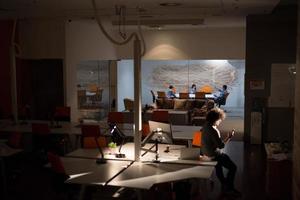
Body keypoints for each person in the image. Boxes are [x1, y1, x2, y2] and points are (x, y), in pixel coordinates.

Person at [200, 108, 241, 197]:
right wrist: (229, 137)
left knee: (218, 167)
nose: (220, 122)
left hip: (206, 154)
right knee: (233, 167)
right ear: (215, 119)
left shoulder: (205, 126)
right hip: (214, 154)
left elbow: (199, 137)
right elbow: (221, 146)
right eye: (220, 120)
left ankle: (224, 184)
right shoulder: (213, 130)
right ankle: (229, 188)